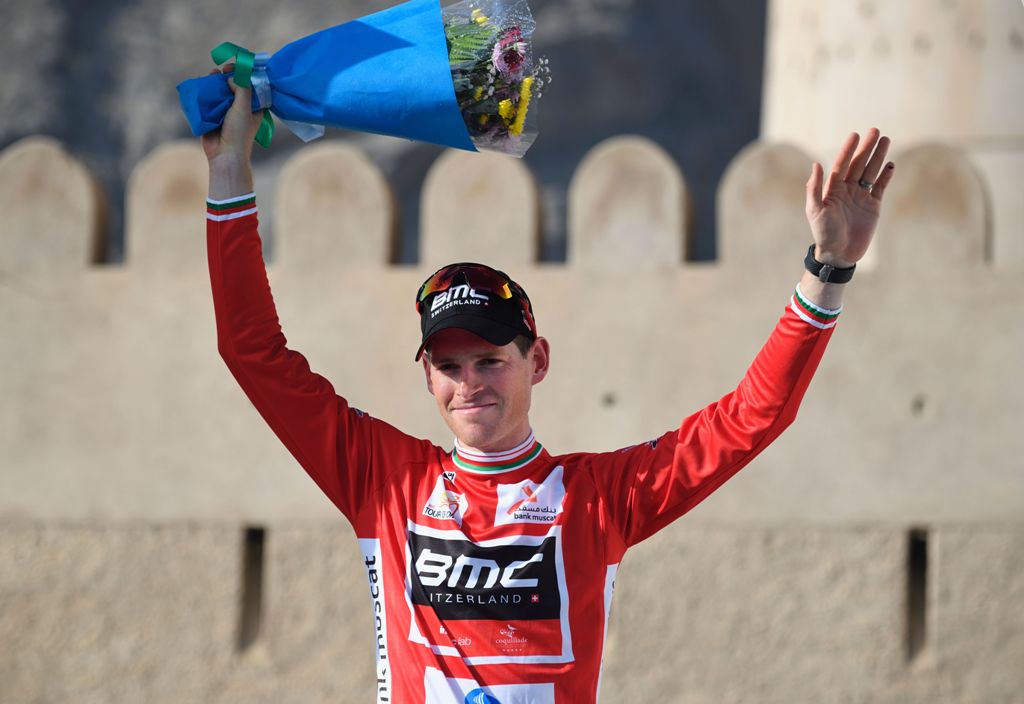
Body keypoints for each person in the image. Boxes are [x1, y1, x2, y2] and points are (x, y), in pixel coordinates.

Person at [202, 68, 893, 704]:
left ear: (539, 362)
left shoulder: (598, 501)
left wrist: (827, 268)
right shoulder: (383, 482)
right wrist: (229, 169)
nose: (468, 383)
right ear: (426, 376)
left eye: (490, 359)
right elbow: (252, 352)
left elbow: (750, 419)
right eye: (448, 365)